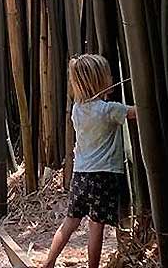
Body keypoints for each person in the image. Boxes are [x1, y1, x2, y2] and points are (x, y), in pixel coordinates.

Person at [42, 54, 136, 268]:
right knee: (96, 227)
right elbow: (140, 112)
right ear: (99, 82)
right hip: (104, 176)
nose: (112, 78)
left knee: (70, 222)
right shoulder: (110, 110)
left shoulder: (77, 110)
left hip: (80, 175)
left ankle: (49, 262)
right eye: (108, 75)